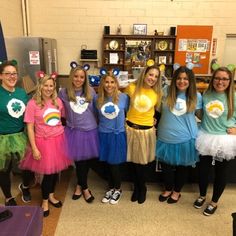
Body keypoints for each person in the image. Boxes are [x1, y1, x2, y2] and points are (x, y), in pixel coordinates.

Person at [20, 72, 71, 217]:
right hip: (43, 142)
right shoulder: (32, 104)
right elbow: (30, 127)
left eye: (51, 85)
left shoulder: (58, 102)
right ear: (40, 86)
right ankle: (44, 201)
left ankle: (51, 195)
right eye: (45, 85)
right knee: (47, 173)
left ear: (54, 86)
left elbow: (61, 120)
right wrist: (34, 148)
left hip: (59, 139)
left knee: (55, 171)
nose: (48, 88)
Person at [156, 66, 202, 204]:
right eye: (179, 78)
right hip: (165, 136)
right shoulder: (165, 91)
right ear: (174, 79)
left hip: (186, 138)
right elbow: (157, 110)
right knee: (166, 166)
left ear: (190, 81)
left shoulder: (196, 96)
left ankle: (176, 192)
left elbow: (202, 116)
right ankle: (168, 189)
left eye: (185, 79)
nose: (182, 81)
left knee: (183, 167)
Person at [194, 67, 236, 216]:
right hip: (205, 136)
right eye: (218, 78)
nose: (220, 82)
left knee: (221, 172)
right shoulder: (206, 94)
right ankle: (202, 195)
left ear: (230, 81)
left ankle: (214, 202)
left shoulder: (233, 96)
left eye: (225, 79)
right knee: (203, 170)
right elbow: (200, 113)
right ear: (213, 79)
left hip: (225, 139)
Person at [58, 63, 99, 203]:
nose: (78, 79)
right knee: (79, 161)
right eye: (76, 76)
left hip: (90, 130)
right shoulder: (63, 92)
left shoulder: (91, 91)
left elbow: (95, 111)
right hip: (74, 131)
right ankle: (84, 188)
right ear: (71, 77)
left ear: (85, 78)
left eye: (82, 77)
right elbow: (56, 107)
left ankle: (80, 185)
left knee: (86, 161)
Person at [124, 65, 162, 204]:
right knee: (133, 162)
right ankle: (136, 188)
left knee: (142, 163)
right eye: (150, 74)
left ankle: (142, 188)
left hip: (146, 131)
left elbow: (157, 111)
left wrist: (155, 120)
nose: (152, 78)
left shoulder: (157, 94)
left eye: (156, 76)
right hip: (131, 129)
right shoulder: (131, 88)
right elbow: (124, 106)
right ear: (144, 74)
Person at [0, 60, 32, 206]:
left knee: (28, 167)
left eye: (14, 74)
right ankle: (8, 197)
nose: (12, 77)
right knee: (4, 170)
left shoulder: (21, 92)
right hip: (2, 139)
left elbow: (29, 114)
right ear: (1, 76)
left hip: (20, 136)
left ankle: (24, 186)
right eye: (8, 74)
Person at [95, 70, 129, 204]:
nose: (109, 85)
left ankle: (118, 189)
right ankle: (110, 188)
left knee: (115, 164)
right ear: (102, 84)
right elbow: (96, 116)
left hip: (117, 134)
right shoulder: (97, 99)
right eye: (106, 82)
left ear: (116, 83)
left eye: (112, 82)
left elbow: (128, 113)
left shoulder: (124, 98)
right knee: (107, 163)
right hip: (103, 134)